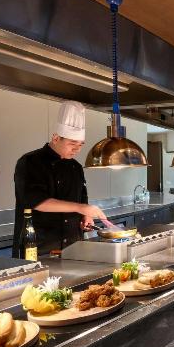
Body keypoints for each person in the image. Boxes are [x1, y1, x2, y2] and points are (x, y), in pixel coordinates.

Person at [13, 101, 113, 257]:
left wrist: (86, 215)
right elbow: (37, 201)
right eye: (72, 143)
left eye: (81, 145)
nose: (77, 149)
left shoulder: (76, 167)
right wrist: (81, 208)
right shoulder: (30, 162)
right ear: (55, 138)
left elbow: (82, 197)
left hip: (73, 248)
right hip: (39, 249)